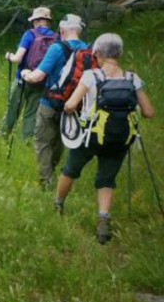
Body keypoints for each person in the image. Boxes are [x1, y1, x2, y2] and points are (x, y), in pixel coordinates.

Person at [55, 33, 154, 244]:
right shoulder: (132, 79)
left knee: (70, 170)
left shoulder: (91, 76)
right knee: (107, 180)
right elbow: (148, 112)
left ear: (97, 53)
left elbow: (70, 105)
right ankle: (103, 223)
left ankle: (58, 205)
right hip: (119, 138)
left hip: (89, 137)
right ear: (120, 53)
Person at [22, 14, 88, 188]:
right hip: (74, 105)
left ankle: (46, 181)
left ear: (62, 30)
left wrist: (25, 74)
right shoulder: (87, 49)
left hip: (51, 102)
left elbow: (38, 76)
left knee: (43, 140)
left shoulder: (57, 48)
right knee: (59, 140)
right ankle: (54, 171)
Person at [0, 7, 58, 140]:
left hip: (23, 78)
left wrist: (9, 56)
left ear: (35, 21)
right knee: (32, 113)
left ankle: (3, 136)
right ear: (48, 21)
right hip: (41, 80)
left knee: (13, 109)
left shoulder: (30, 34)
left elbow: (17, 58)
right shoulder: (56, 37)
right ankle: (26, 140)